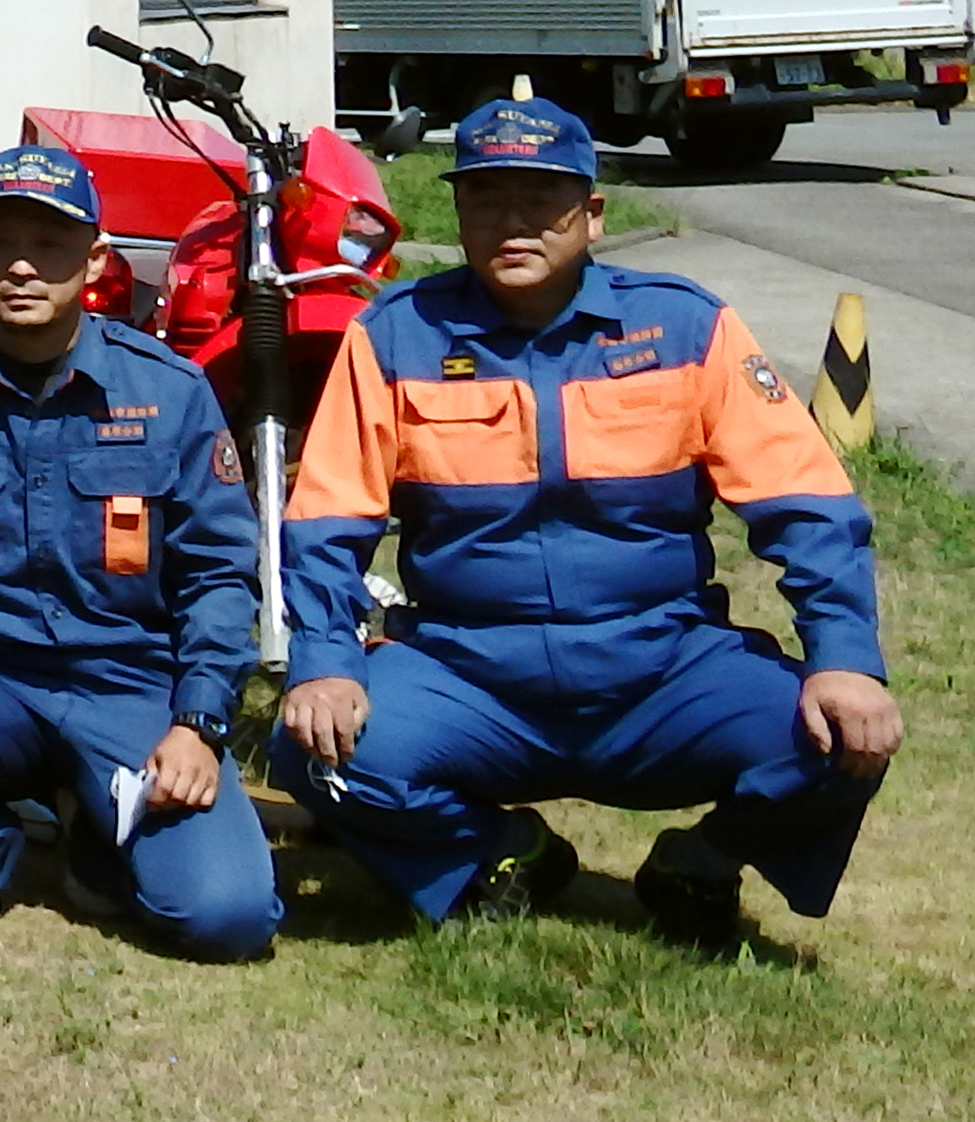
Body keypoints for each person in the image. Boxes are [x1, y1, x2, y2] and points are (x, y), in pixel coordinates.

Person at [275, 96, 898, 949]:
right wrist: (323, 662)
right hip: (471, 675)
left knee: (848, 734)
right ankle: (500, 852)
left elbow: (808, 505)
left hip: (662, 671)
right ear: (455, 211)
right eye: (487, 198)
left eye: (542, 199)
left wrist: (846, 659)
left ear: (592, 215)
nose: (513, 222)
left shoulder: (685, 326)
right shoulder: (394, 337)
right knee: (311, 744)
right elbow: (325, 520)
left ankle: (703, 862)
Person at [0, 145, 277, 958]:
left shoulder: (168, 390)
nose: (23, 266)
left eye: (52, 243)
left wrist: (200, 721)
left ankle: (93, 826)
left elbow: (218, 571)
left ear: (96, 255)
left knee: (226, 917)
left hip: (133, 683)